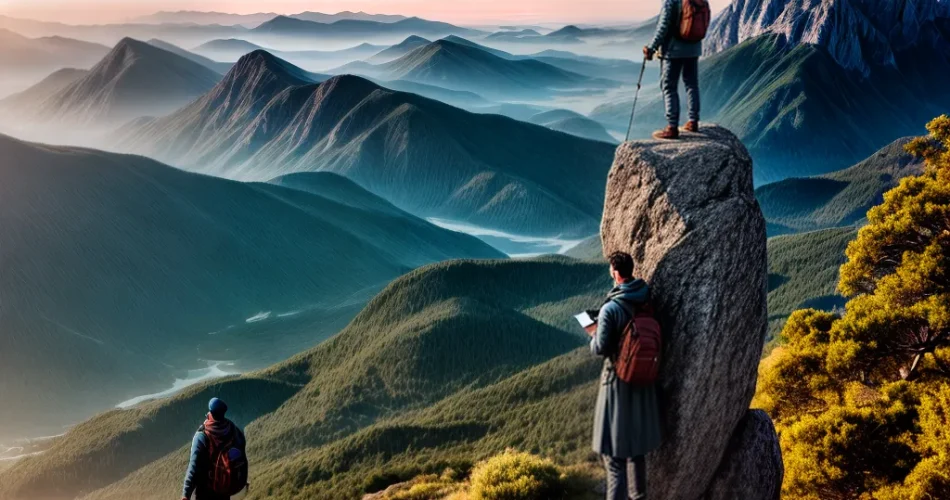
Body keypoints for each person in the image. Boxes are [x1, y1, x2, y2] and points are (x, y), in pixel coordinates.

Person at [588, 252, 662, 500]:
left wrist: (593, 335)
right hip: (643, 383)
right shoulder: (646, 298)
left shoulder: (611, 308)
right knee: (636, 451)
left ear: (615, 272)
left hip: (618, 386)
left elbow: (601, 348)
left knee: (615, 459)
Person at [644, 0, 704, 140]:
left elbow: (663, 26)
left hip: (673, 51)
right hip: (694, 49)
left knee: (669, 87)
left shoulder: (670, 1)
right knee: (692, 84)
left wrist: (651, 48)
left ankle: (672, 127)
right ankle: (693, 121)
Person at [181, 398, 247, 500]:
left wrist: (186, 494)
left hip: (206, 491)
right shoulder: (233, 430)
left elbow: (193, 468)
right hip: (225, 489)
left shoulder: (202, 436)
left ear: (211, 414)